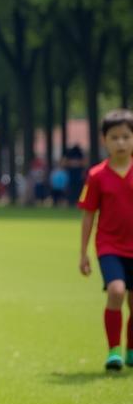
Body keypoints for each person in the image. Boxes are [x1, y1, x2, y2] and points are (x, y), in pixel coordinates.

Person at [77, 108, 133, 371]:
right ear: (104, 140)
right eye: (114, 137)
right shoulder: (97, 176)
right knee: (117, 291)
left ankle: (131, 349)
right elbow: (89, 215)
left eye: (125, 136)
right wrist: (83, 252)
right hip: (109, 246)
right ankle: (114, 351)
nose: (120, 142)